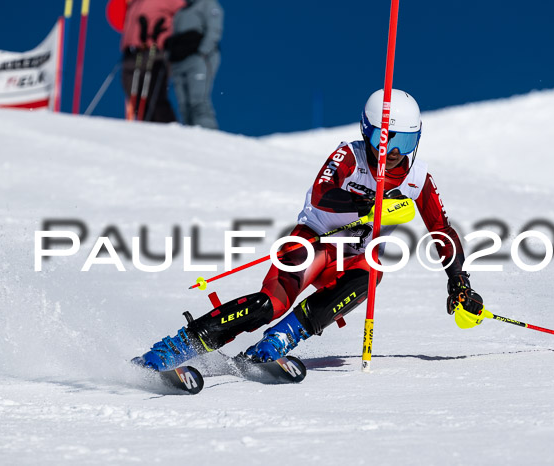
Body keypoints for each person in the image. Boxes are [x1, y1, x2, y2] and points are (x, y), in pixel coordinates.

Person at [132, 89, 485, 371]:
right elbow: (323, 193)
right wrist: (370, 207)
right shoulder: (350, 155)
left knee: (371, 273)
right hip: (313, 242)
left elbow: (442, 231)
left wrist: (459, 280)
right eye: (383, 139)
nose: (391, 153)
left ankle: (281, 339)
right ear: (367, 132)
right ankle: (181, 345)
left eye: (403, 144)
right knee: (271, 302)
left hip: (354, 259)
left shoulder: (417, 179)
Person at [120, 0, 185, 122]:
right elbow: (119, 17)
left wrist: (169, 36)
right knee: (136, 98)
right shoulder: (134, 2)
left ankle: (170, 131)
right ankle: (149, 132)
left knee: (154, 96)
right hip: (133, 51)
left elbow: (185, 13)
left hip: (156, 51)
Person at [165, 0, 223, 129]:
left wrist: (202, 52)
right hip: (179, 63)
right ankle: (192, 139)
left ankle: (208, 136)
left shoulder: (207, 5)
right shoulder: (180, 12)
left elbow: (214, 29)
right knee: (184, 106)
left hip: (199, 59)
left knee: (198, 102)